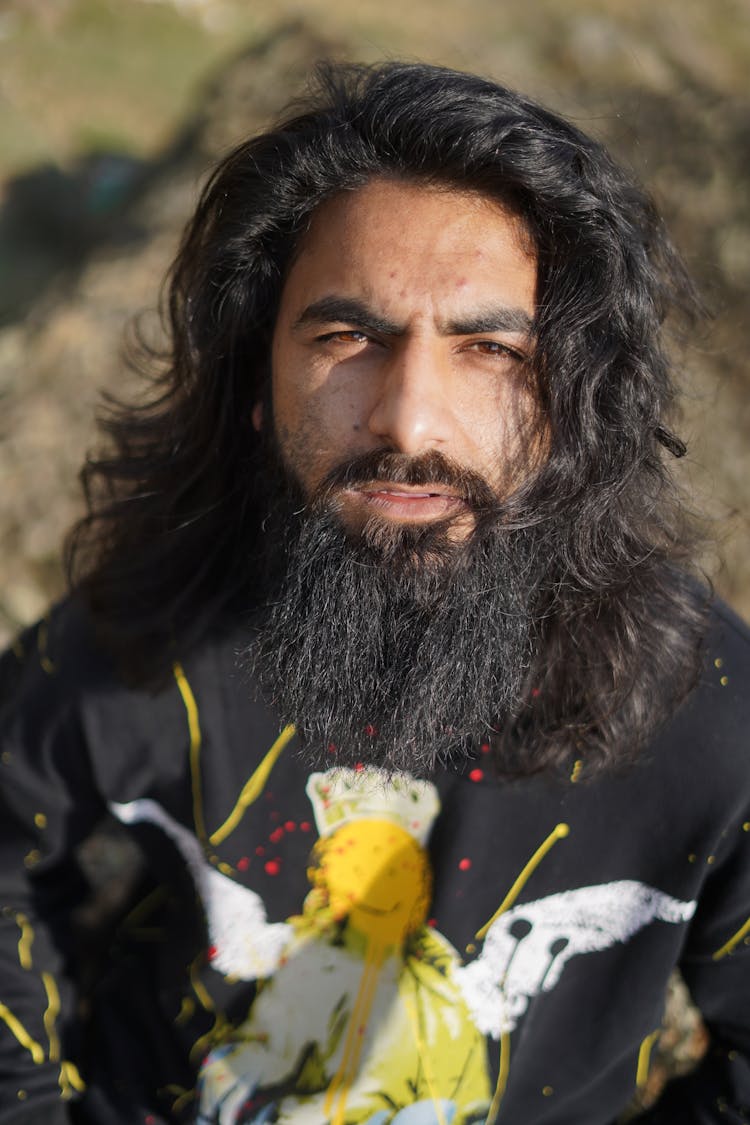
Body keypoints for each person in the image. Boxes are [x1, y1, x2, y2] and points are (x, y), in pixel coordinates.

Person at [0, 59, 748, 1125]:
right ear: (255, 381)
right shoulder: (161, 622)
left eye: (492, 350)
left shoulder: (713, 712)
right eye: (348, 337)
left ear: (579, 401)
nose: (410, 421)